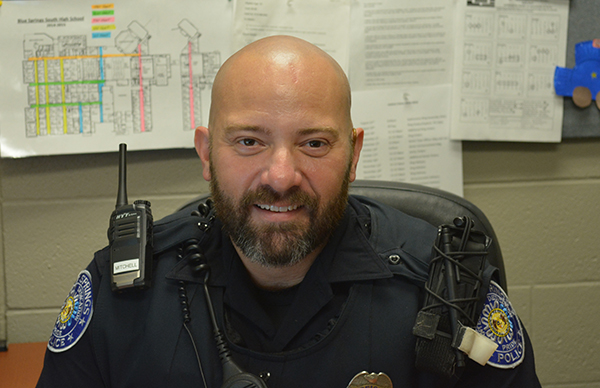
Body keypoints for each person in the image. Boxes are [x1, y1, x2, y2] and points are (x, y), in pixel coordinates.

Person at [36, 35, 541, 387]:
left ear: (354, 152)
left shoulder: (449, 289)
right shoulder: (120, 293)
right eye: (250, 141)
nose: (281, 176)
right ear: (207, 153)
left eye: (315, 143)